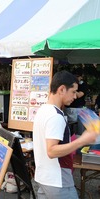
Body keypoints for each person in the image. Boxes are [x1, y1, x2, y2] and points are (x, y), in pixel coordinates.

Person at [33, 70, 97, 199]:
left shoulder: (43, 110)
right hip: (58, 180)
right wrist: (82, 140)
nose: (75, 96)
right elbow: (52, 151)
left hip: (43, 177)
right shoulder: (55, 116)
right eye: (73, 92)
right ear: (62, 89)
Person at [64, 68, 88, 135]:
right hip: (68, 108)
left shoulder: (83, 85)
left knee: (79, 128)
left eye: (78, 76)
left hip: (79, 108)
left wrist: (73, 89)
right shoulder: (69, 84)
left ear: (81, 77)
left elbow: (79, 95)